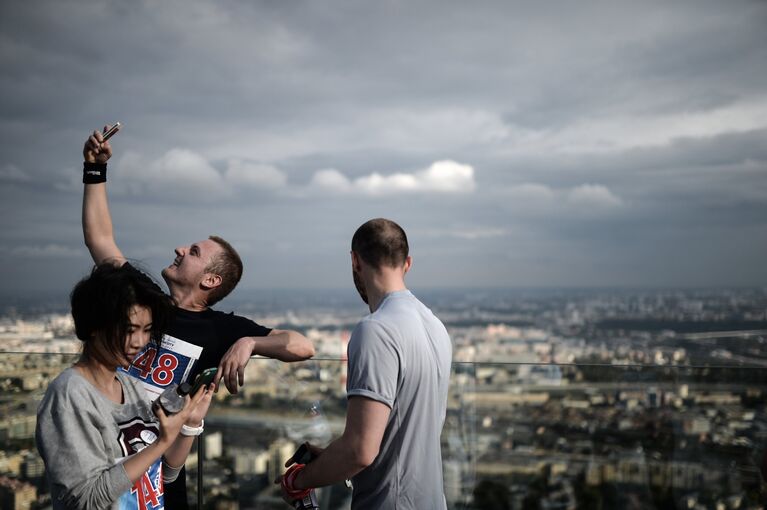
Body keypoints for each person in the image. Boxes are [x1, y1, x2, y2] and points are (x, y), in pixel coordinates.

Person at [81, 125, 316, 508]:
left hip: (161, 471)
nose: (178, 249)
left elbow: (302, 346)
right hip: (108, 461)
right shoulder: (145, 298)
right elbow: (100, 240)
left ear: (210, 279)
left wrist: (250, 341)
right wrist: (94, 170)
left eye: (191, 251)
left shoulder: (220, 328)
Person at [277, 218, 453, 509]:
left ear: (355, 261)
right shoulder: (436, 327)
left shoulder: (375, 330)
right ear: (407, 263)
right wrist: (334, 457)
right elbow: (402, 435)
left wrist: (296, 481)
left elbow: (360, 451)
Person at [36, 263, 214, 510]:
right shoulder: (70, 395)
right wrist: (162, 441)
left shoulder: (129, 386)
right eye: (129, 330)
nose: (139, 342)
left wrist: (189, 424)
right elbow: (85, 501)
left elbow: (159, 477)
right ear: (95, 325)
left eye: (147, 331)